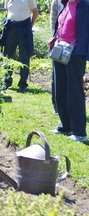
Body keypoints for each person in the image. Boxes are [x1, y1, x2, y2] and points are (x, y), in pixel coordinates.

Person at [49, 0, 89, 142]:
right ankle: (65, 126)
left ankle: (79, 132)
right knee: (60, 90)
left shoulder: (84, 5)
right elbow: (59, 24)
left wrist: (82, 51)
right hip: (60, 50)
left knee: (74, 92)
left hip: (75, 54)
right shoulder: (65, 3)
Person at [0, 0, 39, 92]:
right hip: (11, 28)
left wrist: (30, 26)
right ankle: (6, 81)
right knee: (8, 56)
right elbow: (9, 11)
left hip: (24, 28)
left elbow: (35, 13)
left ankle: (22, 84)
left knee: (24, 57)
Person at [50, 0, 63, 114]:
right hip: (58, 43)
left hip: (72, 45)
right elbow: (53, 20)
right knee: (55, 76)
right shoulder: (57, 1)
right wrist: (54, 37)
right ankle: (56, 106)